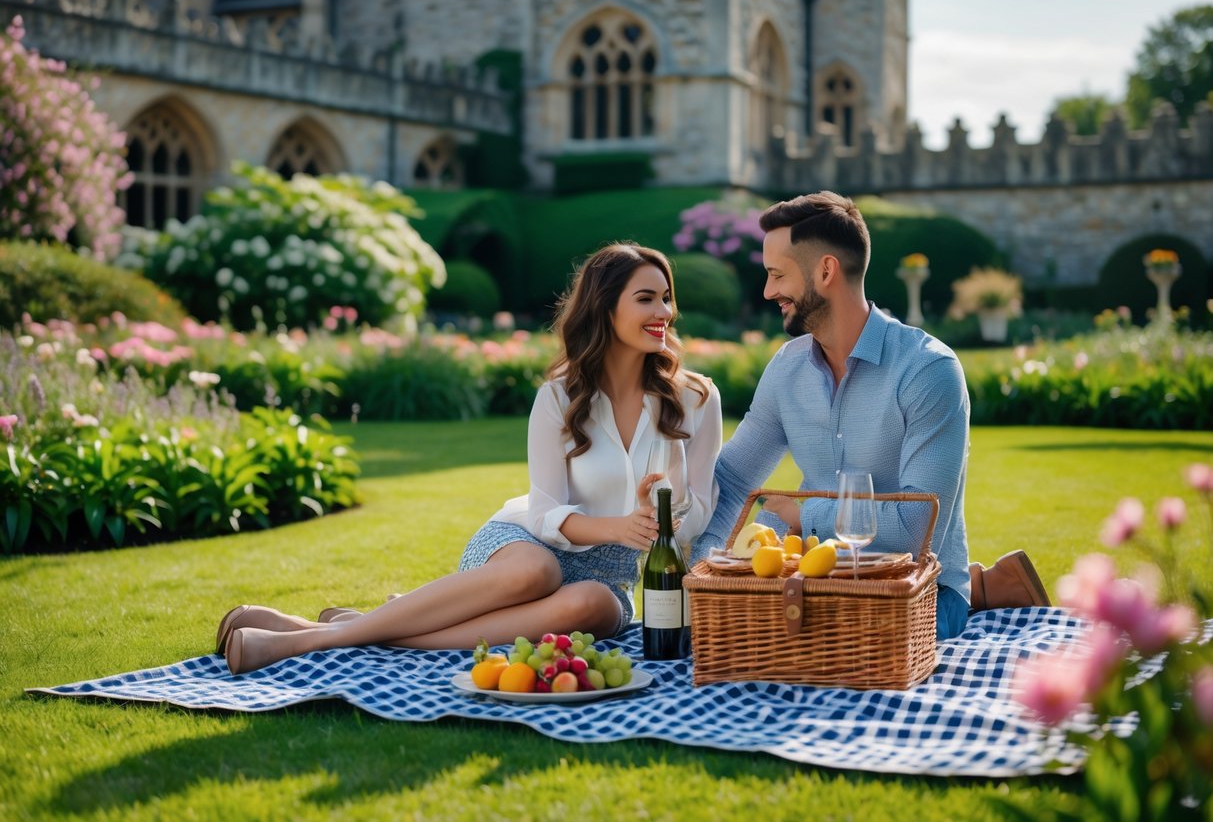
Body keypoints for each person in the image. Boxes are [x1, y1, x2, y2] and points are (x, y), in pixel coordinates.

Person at [218, 242, 723, 674]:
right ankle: (307, 642)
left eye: (666, 299)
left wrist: (662, 511)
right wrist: (617, 525)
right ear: (604, 308)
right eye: (646, 299)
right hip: (524, 546)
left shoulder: (696, 399)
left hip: (610, 575)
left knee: (591, 600)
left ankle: (350, 628)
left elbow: (699, 510)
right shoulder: (558, 398)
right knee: (538, 571)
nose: (664, 313)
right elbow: (545, 513)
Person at [691, 191, 1047, 641]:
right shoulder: (786, 369)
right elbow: (734, 480)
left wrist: (803, 515)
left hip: (916, 595)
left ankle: (974, 586)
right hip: (809, 586)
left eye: (777, 275)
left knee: (831, 653)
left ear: (825, 272)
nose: (768, 291)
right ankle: (989, 583)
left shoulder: (927, 370)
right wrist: (702, 571)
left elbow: (916, 531)